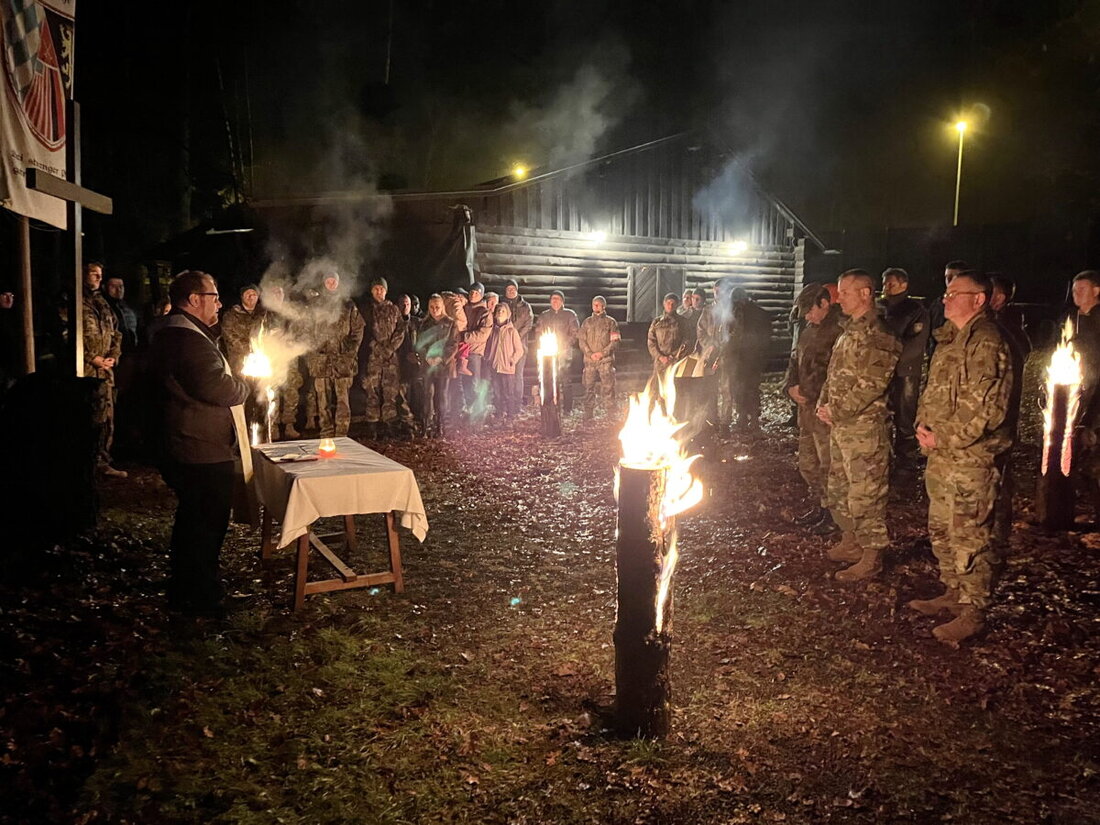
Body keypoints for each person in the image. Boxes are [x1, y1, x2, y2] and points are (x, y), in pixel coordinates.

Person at [913, 271, 1013, 643]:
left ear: (979, 300)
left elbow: (987, 409)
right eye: (946, 292)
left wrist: (945, 437)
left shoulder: (986, 342)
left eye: (955, 293)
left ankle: (974, 609)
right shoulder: (952, 340)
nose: (946, 299)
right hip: (942, 455)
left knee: (970, 533)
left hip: (971, 459)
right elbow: (934, 391)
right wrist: (924, 429)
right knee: (942, 528)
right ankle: (953, 592)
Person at [147, 270, 250, 617]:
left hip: (188, 441)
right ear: (194, 300)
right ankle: (202, 596)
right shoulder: (186, 338)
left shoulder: (174, 331)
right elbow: (217, 388)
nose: (219, 303)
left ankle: (185, 588)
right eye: (214, 296)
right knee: (206, 522)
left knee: (193, 519)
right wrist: (243, 385)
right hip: (198, 447)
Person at [817, 270, 901, 582]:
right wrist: (824, 404)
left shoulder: (879, 334)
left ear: (865, 294)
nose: (839, 299)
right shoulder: (848, 331)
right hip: (841, 426)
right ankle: (850, 541)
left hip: (864, 429)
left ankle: (871, 555)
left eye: (846, 292)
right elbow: (834, 373)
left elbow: (872, 384)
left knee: (866, 492)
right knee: (840, 488)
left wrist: (836, 410)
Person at [785, 283, 843, 532]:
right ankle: (822, 507)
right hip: (806, 411)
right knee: (808, 465)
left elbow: (840, 374)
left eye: (810, 310)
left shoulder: (841, 331)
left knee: (829, 465)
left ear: (824, 304)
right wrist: (790, 386)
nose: (807, 316)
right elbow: (794, 359)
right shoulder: (808, 330)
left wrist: (828, 402)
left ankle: (836, 517)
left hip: (825, 412)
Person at [988, 273, 1030, 546]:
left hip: (999, 420)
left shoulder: (1007, 332)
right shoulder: (994, 328)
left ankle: (997, 534)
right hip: (993, 420)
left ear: (1000, 298)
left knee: (998, 477)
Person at [878, 268, 929, 461]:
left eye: (890, 284)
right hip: (881, 372)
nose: (886, 288)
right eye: (884, 283)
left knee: (904, 417)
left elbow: (914, 345)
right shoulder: (879, 308)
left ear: (903, 285)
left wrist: (888, 362)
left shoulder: (914, 311)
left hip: (904, 372)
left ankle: (906, 460)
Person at [82, 261, 126, 478]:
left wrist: (112, 356)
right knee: (87, 417)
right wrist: (92, 358)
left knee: (107, 416)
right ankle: (85, 462)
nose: (98, 279)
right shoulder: (73, 302)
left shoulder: (103, 303)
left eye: (100, 275)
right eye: (93, 274)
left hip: (105, 371)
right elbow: (64, 334)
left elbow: (116, 332)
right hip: (85, 372)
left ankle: (103, 460)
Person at [307, 272, 364, 438]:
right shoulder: (315, 305)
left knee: (342, 399)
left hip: (342, 360)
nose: (331, 284)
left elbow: (358, 330)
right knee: (322, 399)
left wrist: (350, 352)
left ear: (338, 283)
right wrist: (313, 351)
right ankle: (326, 431)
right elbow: (306, 329)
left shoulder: (348, 305)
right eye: (328, 281)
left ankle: (341, 433)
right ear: (324, 283)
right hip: (321, 360)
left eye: (334, 281)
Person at [359, 276, 405, 438]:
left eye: (382, 289)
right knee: (372, 391)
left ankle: (389, 424)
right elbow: (362, 333)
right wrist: (375, 347)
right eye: (376, 289)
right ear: (372, 291)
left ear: (386, 291)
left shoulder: (393, 309)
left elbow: (401, 330)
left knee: (390, 391)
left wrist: (391, 347)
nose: (379, 292)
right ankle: (373, 426)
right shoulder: (365, 310)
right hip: (372, 358)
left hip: (390, 358)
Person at [1069, 271, 1100, 516]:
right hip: (1082, 395)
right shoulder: (1078, 319)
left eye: (1081, 289)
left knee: (1094, 462)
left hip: (1096, 400)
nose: (1076, 294)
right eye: (1074, 289)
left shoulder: (1097, 322)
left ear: (1096, 291)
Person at [725, 287, 772, 431]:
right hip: (738, 359)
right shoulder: (733, 313)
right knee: (739, 389)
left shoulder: (758, 314)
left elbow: (765, 338)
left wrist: (759, 356)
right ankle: (742, 418)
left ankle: (753, 419)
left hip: (751, 359)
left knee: (750, 389)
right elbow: (729, 336)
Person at [261, 284, 304, 439]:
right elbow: (258, 334)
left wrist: (291, 339)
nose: (277, 295)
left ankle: (289, 425)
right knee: (272, 392)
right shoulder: (265, 313)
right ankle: (272, 426)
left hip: (290, 357)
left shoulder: (290, 312)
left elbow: (300, 332)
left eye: (279, 292)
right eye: (274, 292)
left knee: (291, 391)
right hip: (272, 356)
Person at [416, 294, 457, 437]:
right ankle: (426, 425)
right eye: (432, 307)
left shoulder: (450, 323)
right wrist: (426, 357)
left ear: (442, 307)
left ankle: (440, 426)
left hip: (443, 367)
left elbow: (453, 344)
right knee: (427, 395)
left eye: (437, 307)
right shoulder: (424, 323)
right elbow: (420, 343)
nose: (434, 310)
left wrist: (442, 358)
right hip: (428, 366)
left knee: (441, 396)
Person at [534, 290, 580, 411]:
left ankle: (567, 409)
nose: (555, 301)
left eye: (558, 299)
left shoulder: (570, 315)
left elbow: (575, 333)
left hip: (564, 354)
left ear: (562, 301)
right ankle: (552, 407)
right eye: (553, 298)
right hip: (548, 355)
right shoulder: (544, 316)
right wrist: (543, 346)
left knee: (566, 381)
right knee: (550, 381)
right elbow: (538, 333)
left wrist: (564, 345)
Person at [696, 279, 733, 430]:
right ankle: (712, 419)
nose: (717, 293)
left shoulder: (732, 310)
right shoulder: (707, 311)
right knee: (710, 389)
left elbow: (736, 332)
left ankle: (725, 423)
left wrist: (726, 346)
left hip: (727, 356)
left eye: (721, 291)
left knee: (727, 390)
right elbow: (700, 330)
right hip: (711, 356)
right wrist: (709, 345)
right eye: (715, 290)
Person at [578, 295, 620, 419]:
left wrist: (602, 353)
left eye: (598, 304)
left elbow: (615, 341)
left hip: (605, 361)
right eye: (594, 304)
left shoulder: (611, 322)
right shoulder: (586, 323)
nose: (595, 306)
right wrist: (590, 354)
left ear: (603, 306)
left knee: (608, 387)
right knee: (588, 387)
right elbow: (581, 341)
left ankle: (611, 412)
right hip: (590, 361)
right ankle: (588, 412)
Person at [461, 282, 494, 424]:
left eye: (476, 293)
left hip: (474, 353)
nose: (473, 295)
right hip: (461, 352)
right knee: (463, 384)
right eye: (471, 292)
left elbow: (482, 334)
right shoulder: (464, 308)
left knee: (474, 384)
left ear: (481, 295)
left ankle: (478, 416)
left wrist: (463, 337)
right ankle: (467, 413)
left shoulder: (485, 313)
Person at [485, 302, 523, 419]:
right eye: (498, 311)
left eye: (503, 311)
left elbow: (519, 350)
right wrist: (488, 358)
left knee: (508, 393)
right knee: (497, 392)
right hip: (495, 366)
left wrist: (513, 360)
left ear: (508, 315)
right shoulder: (492, 331)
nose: (500, 313)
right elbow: (488, 346)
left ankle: (510, 415)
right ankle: (499, 413)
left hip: (507, 368)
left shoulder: (512, 331)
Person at [502, 279, 533, 413]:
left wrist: (515, 337)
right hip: (503, 347)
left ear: (517, 289)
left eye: (513, 288)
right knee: (505, 376)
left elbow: (528, 323)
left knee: (518, 375)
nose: (511, 291)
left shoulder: (525, 306)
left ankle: (517, 404)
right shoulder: (501, 304)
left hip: (520, 346)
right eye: (508, 289)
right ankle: (506, 405)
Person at [928, 260, 970, 350]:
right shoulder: (938, 303)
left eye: (954, 276)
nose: (949, 280)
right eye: (947, 277)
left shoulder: (968, 304)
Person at [647, 292, 689, 377]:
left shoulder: (683, 322)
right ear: (664, 304)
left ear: (677, 305)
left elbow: (686, 340)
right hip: (660, 362)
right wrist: (660, 357)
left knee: (675, 387)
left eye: (673, 303)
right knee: (657, 387)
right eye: (668, 303)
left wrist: (675, 356)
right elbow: (651, 342)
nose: (670, 306)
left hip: (677, 361)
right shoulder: (657, 322)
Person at [103, 275, 140, 353]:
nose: (118, 290)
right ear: (104, 287)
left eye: (121, 286)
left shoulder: (130, 308)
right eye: (113, 286)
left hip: (131, 352)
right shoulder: (103, 307)